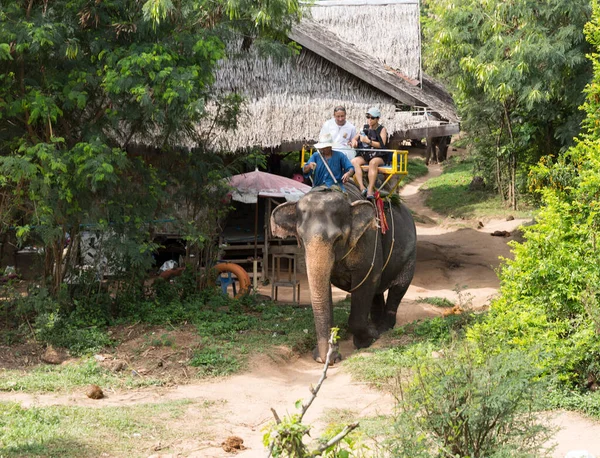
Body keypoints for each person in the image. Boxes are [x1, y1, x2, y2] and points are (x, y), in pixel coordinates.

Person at [351, 107, 388, 200]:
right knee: (354, 161)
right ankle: (362, 187)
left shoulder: (382, 129)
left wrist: (368, 141)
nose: (369, 120)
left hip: (379, 154)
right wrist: (354, 141)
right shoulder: (365, 128)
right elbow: (355, 138)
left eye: (372, 118)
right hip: (367, 154)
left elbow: (382, 145)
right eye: (368, 117)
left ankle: (370, 189)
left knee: (373, 163)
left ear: (377, 119)